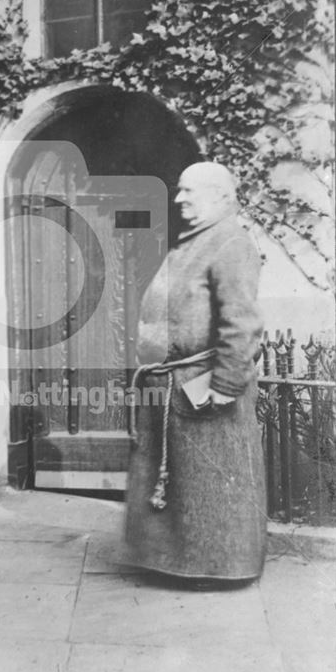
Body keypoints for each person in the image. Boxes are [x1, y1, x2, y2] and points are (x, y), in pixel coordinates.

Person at [125, 161, 266, 585]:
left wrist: (224, 385)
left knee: (209, 484)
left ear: (221, 197)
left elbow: (241, 322)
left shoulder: (231, 242)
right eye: (178, 190)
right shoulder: (195, 242)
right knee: (184, 485)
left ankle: (219, 567)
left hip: (201, 386)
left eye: (188, 191)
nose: (178, 199)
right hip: (172, 384)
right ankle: (181, 561)